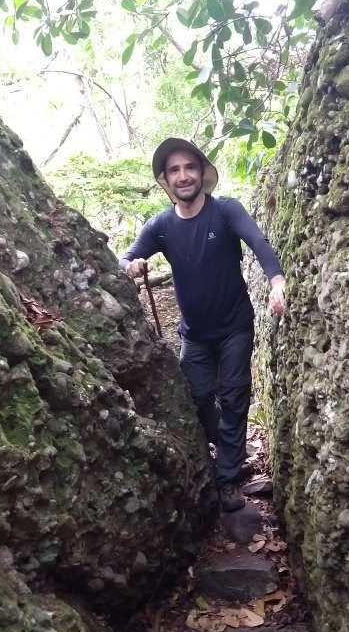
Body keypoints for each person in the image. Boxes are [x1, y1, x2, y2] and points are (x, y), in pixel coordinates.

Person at [120, 138, 286, 512]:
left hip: (234, 327)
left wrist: (277, 280)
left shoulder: (225, 211)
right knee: (195, 400)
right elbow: (127, 255)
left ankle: (227, 480)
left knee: (233, 396)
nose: (183, 176)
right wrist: (131, 265)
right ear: (166, 180)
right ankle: (230, 450)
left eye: (189, 167)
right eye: (174, 170)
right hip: (193, 334)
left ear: (201, 173)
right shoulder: (161, 225)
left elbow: (259, 242)